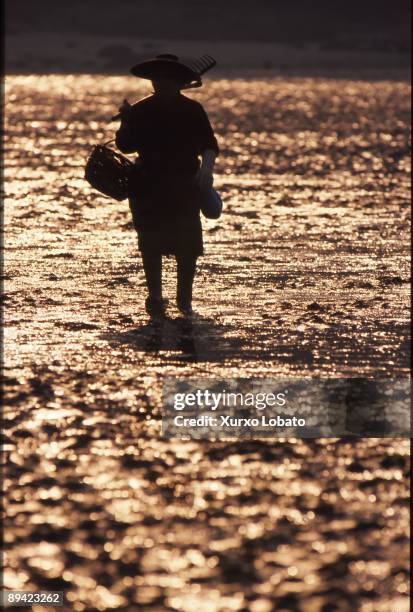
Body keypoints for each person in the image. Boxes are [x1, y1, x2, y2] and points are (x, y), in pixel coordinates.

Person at [115, 53, 219, 317]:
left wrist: (206, 170)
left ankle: (184, 300)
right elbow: (126, 146)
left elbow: (209, 145)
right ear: (153, 81)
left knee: (188, 245)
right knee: (150, 244)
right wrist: (126, 120)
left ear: (178, 81)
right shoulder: (139, 110)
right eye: (157, 79)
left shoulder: (193, 110)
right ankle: (155, 298)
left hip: (184, 183)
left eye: (167, 78)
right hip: (148, 184)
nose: (161, 83)